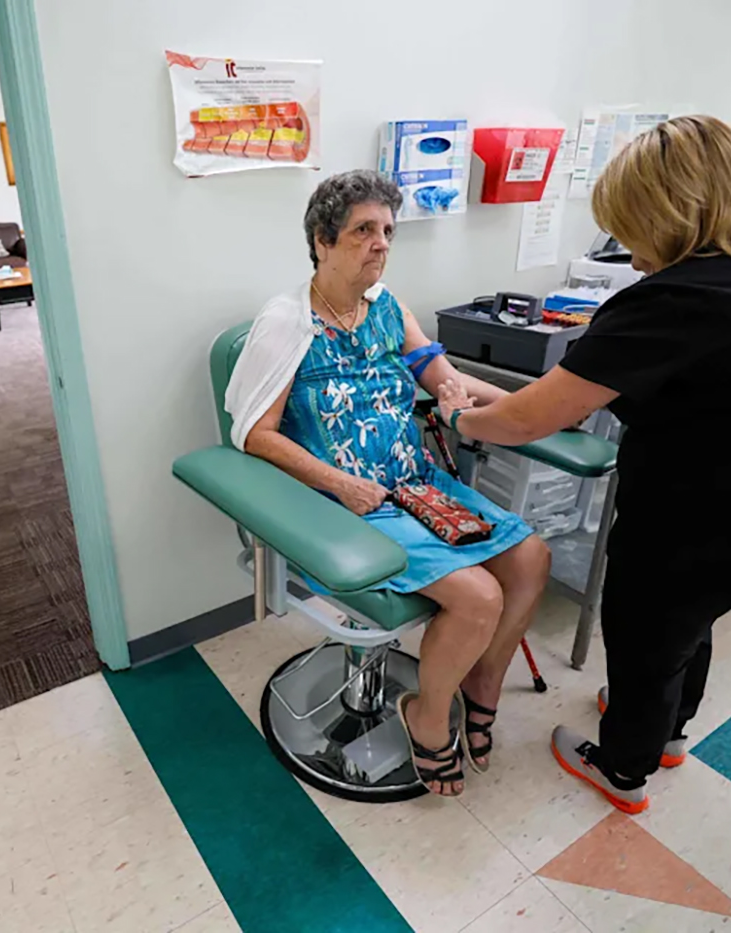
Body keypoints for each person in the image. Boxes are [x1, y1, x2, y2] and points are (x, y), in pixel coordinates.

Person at [438, 115, 731, 813]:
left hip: (710, 521)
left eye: (634, 233)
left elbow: (527, 419)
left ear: (669, 216)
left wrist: (458, 416)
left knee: (645, 630)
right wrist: (486, 395)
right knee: (688, 626)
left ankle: (624, 767)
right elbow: (567, 401)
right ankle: (667, 732)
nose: (635, 259)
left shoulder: (682, 297)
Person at [226, 170, 553, 797]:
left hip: (415, 484)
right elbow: (256, 435)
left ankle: (481, 685)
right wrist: (341, 483)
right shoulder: (287, 323)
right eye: (363, 231)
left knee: (531, 558)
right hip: (344, 506)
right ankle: (427, 715)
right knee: (479, 596)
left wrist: (523, 406)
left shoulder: (387, 308)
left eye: (387, 231)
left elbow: (441, 374)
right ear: (322, 241)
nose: (380, 243)